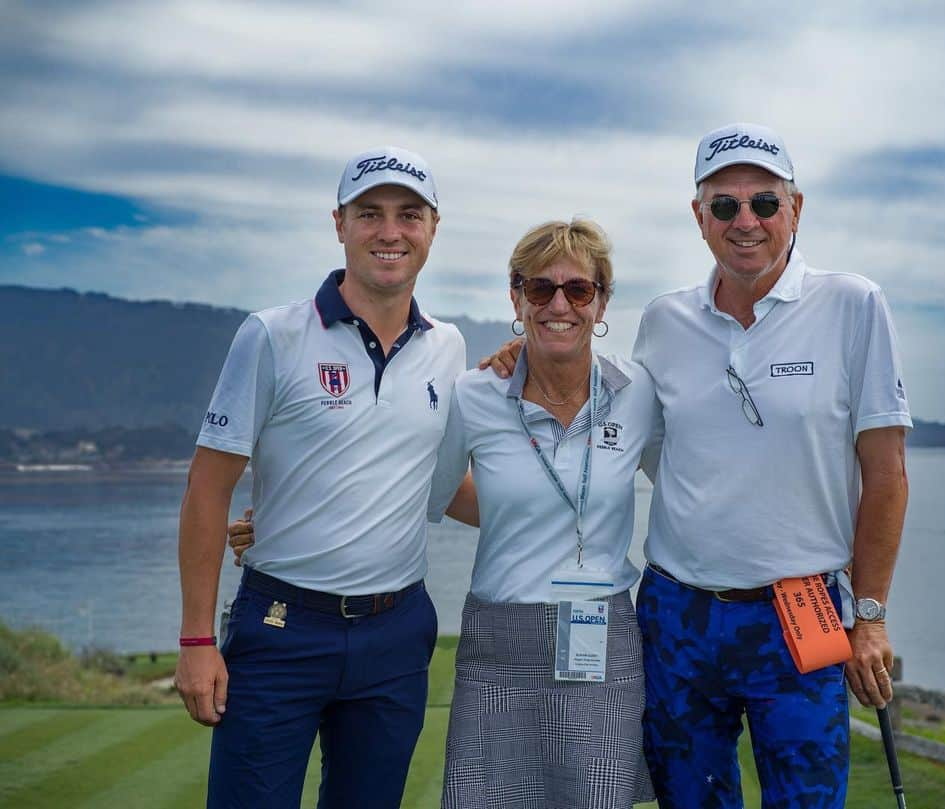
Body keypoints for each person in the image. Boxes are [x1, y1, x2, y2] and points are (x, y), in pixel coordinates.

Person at [485, 123, 912, 808]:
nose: (746, 221)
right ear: (699, 217)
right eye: (725, 205)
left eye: (765, 203)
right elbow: (619, 419)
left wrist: (870, 615)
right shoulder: (665, 320)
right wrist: (522, 355)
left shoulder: (853, 305)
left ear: (795, 209)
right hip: (678, 612)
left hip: (802, 609)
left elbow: (886, 474)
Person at [231, 219, 663, 809]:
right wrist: (282, 525)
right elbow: (420, 490)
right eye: (540, 289)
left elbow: (690, 489)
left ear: (603, 300)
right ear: (516, 297)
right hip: (500, 635)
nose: (558, 304)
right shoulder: (474, 394)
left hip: (601, 633)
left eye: (578, 290)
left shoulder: (640, 394)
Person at [175, 146, 467, 809]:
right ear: (339, 223)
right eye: (370, 213)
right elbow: (207, 485)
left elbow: (439, 483)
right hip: (281, 625)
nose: (390, 231)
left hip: (396, 633)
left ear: (432, 228)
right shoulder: (272, 335)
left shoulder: (448, 348)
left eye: (408, 214)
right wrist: (195, 638)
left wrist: (565, 509)